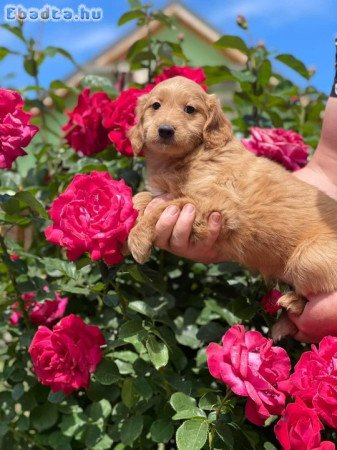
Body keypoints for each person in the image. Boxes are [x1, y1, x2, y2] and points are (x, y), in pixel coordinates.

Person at [143, 40, 337, 343]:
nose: (167, 122)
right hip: (307, 244)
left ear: (210, 123)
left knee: (308, 266)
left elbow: (216, 213)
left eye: (190, 110)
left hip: (316, 254)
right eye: (155, 106)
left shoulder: (214, 160)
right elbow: (330, 167)